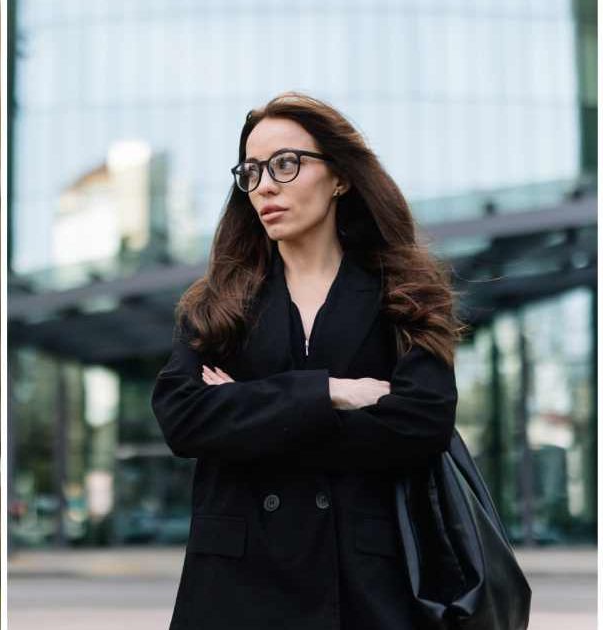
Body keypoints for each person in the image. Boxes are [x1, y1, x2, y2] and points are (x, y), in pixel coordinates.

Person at [151, 92, 462, 629]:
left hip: (364, 588)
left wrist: (244, 411)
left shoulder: (406, 294)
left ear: (339, 177)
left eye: (286, 164)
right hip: (236, 589)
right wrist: (330, 394)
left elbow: (423, 421)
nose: (265, 185)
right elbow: (183, 418)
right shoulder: (217, 303)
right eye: (251, 171)